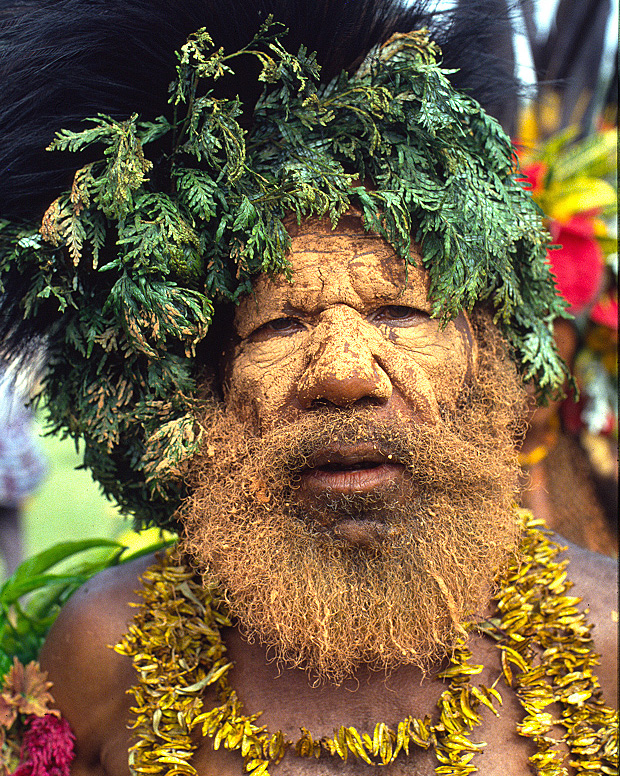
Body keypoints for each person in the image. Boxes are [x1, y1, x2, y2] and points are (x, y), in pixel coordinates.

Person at [0, 1, 616, 774]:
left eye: (401, 311)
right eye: (279, 326)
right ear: (199, 392)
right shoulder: (104, 655)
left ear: (488, 363)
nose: (347, 375)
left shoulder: (608, 644)